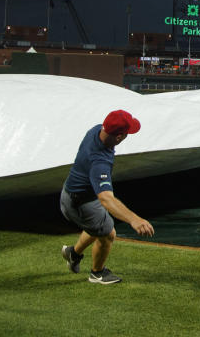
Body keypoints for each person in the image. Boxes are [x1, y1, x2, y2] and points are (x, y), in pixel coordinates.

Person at [60, 109, 154, 285]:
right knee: (108, 233)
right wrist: (134, 220)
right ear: (119, 137)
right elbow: (106, 199)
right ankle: (97, 273)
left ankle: (73, 253)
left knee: (98, 225)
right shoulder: (99, 161)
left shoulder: (96, 130)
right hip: (80, 203)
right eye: (127, 133)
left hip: (74, 192)